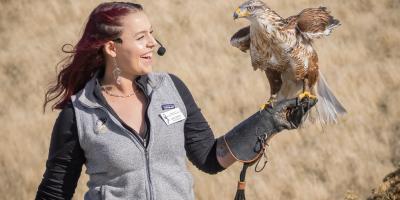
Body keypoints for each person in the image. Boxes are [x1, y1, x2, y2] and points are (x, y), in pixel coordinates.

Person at [35, 2, 315, 200]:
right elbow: (54, 194)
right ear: (111, 47)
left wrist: (268, 121)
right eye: (141, 37)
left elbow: (210, 157)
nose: (153, 44)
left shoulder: (171, 89)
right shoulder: (80, 113)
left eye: (152, 34)